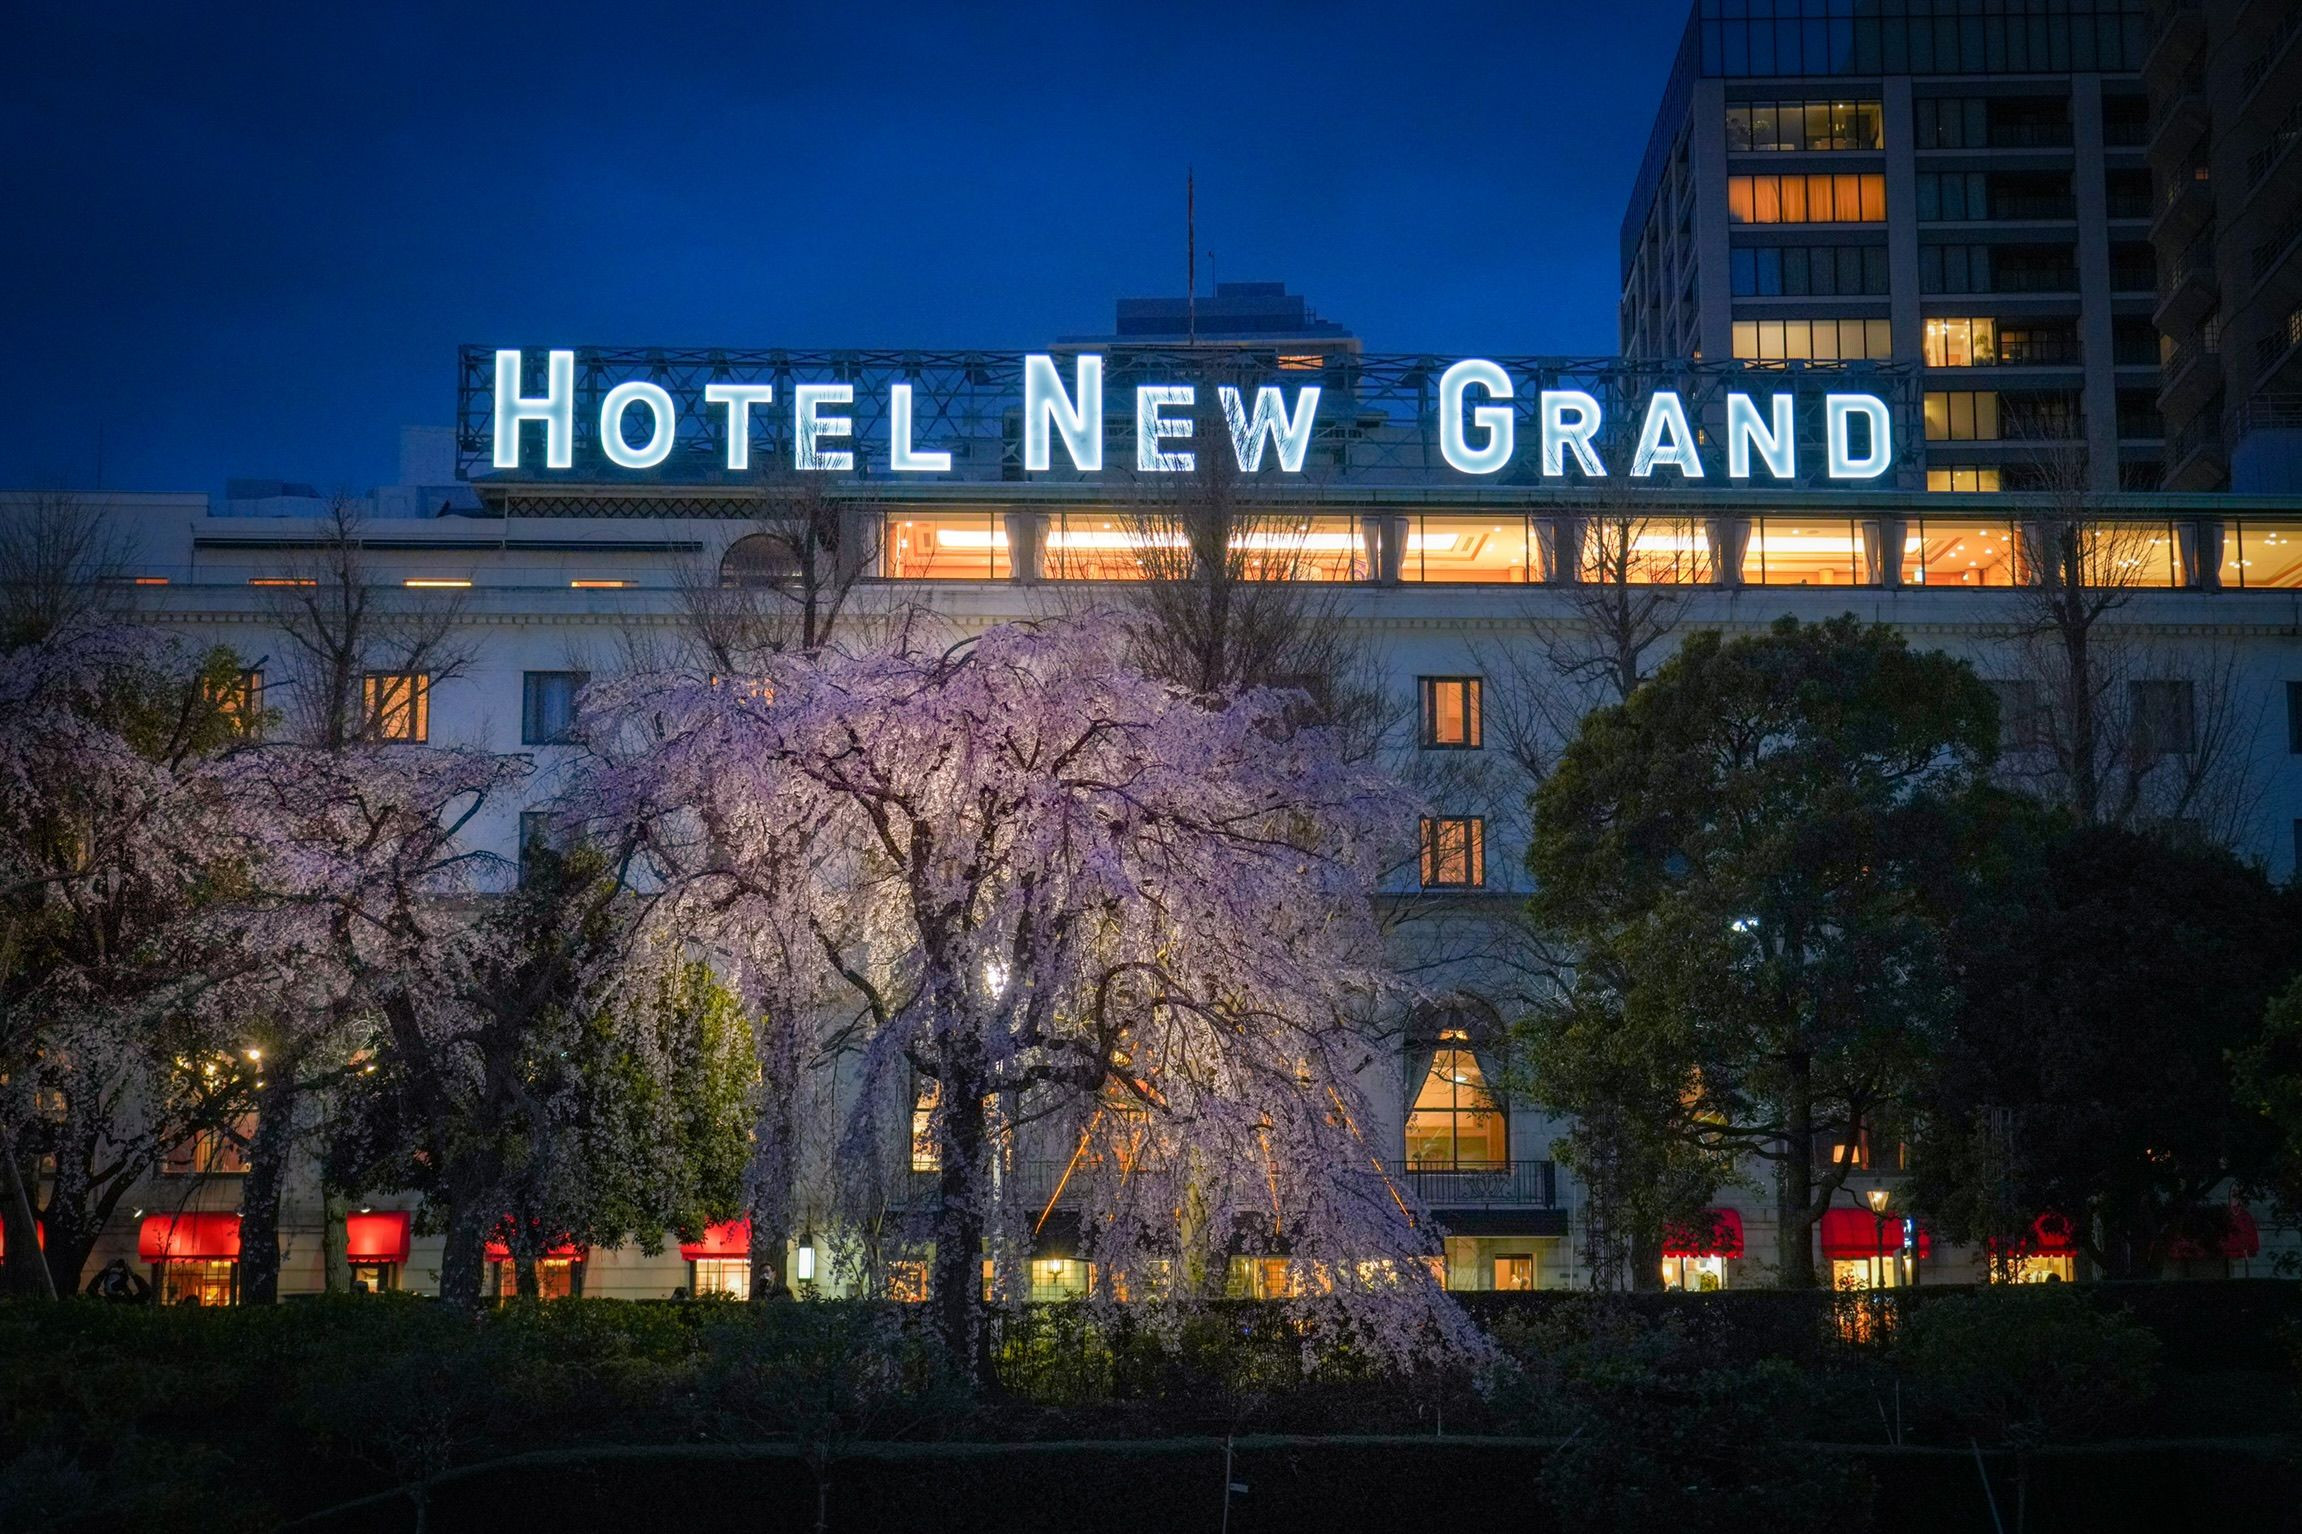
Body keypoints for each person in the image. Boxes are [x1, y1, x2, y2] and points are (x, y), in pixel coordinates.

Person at [85, 1258, 151, 1304]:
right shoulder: (131, 1303)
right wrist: (132, 1274)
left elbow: (147, 1292)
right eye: (112, 1279)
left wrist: (106, 1270)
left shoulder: (103, 1304)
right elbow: (90, 1292)